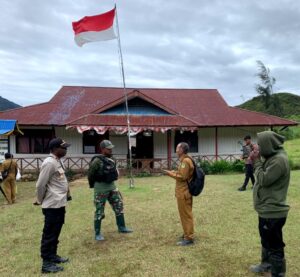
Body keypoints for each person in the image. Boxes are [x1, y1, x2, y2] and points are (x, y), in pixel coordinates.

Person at [249, 131, 290, 277]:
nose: (258, 147)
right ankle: (266, 265)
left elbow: (264, 180)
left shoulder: (279, 160)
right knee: (266, 239)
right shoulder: (272, 157)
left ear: (268, 144)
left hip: (273, 211)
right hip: (266, 209)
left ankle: (278, 273)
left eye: (260, 144)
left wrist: (257, 161)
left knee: (275, 244)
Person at [35, 138, 71, 274]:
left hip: (59, 203)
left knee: (55, 232)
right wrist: (39, 200)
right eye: (64, 147)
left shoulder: (57, 161)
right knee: (49, 234)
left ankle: (53, 255)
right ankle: (46, 263)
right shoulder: (49, 163)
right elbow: (40, 185)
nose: (66, 149)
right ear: (55, 148)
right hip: (52, 205)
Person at [88, 139, 132, 241]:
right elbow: (90, 174)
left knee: (119, 206)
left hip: (112, 187)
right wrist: (94, 186)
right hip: (100, 189)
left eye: (111, 148)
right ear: (103, 149)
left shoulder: (112, 159)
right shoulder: (96, 161)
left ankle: (122, 227)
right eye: (108, 149)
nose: (111, 150)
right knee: (99, 211)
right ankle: (97, 233)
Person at [164, 142, 195, 246]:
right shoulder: (184, 160)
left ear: (182, 150)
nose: (176, 150)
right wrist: (174, 171)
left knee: (186, 215)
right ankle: (186, 233)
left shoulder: (185, 161)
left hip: (184, 193)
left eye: (177, 148)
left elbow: (182, 177)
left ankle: (189, 237)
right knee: (184, 214)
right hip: (183, 192)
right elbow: (182, 173)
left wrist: (169, 173)